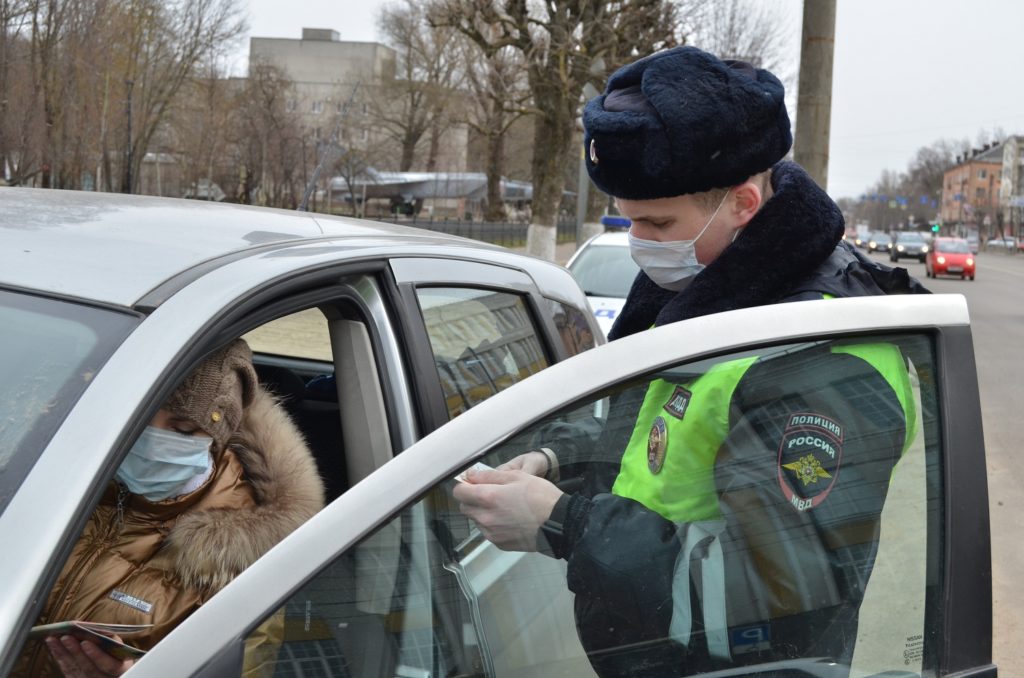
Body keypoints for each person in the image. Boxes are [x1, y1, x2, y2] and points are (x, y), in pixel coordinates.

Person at [453, 46, 929, 676]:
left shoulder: (821, 358)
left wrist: (562, 523)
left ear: (743, 204)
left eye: (655, 221)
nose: (637, 244)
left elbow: (761, 604)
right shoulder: (710, 290)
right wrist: (557, 458)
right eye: (628, 222)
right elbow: (664, 440)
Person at [16, 339, 325, 677]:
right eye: (141, 420)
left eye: (182, 430)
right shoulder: (56, 484)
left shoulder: (245, 556)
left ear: (216, 436)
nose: (151, 440)